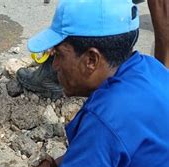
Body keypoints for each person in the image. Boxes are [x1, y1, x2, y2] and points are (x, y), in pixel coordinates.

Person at [0, 0, 169, 167]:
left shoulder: (107, 119)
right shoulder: (151, 71)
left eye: (59, 55)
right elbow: (115, 153)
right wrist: (55, 165)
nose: (54, 66)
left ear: (91, 59)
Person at [18, 0, 168, 100]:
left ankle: (64, 69)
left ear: (91, 60)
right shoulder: (148, 68)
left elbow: (162, 7)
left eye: (59, 56)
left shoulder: (100, 124)